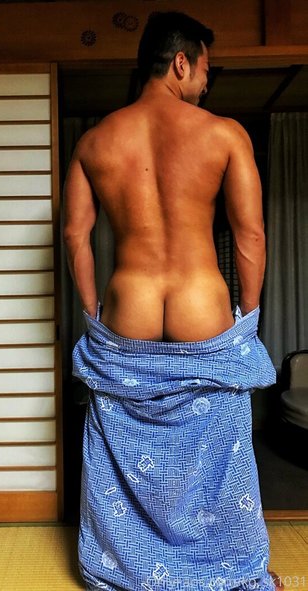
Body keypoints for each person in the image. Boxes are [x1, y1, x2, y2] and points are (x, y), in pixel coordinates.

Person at [63, 10, 282, 591]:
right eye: (206, 70)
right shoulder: (224, 134)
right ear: (181, 62)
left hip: (128, 309)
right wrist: (247, 320)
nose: (207, 84)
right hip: (200, 307)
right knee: (222, 452)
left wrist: (94, 313)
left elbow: (75, 236)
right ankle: (229, 569)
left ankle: (127, 568)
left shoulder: (95, 141)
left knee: (119, 447)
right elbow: (251, 235)